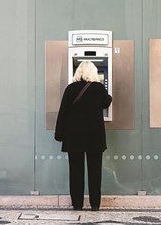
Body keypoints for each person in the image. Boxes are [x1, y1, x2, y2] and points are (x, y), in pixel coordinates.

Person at [55, 61, 112, 211]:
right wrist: (109, 96)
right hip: (94, 137)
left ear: (78, 72)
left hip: (74, 137)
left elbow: (63, 112)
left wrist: (59, 134)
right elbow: (106, 102)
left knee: (75, 171)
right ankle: (94, 204)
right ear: (93, 73)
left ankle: (78, 204)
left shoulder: (70, 88)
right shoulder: (98, 88)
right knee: (95, 170)